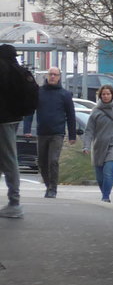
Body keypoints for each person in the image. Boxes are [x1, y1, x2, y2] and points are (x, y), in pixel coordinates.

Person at [22, 66, 77, 198]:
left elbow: (71, 115)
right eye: (50, 74)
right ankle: (48, 185)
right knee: (42, 162)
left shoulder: (65, 94)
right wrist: (27, 129)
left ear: (59, 77)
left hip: (57, 133)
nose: (52, 77)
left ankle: (53, 188)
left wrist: (72, 135)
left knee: (53, 160)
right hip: (42, 132)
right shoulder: (39, 92)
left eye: (55, 75)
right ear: (47, 76)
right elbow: (30, 111)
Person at [0, 44, 38, 219]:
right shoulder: (19, 70)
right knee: (7, 158)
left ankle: (14, 202)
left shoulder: (3, 68)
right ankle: (13, 202)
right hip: (14, 119)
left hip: (3, 120)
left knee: (9, 159)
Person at [82, 84, 113, 204]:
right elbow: (89, 131)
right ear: (100, 96)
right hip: (99, 146)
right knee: (100, 177)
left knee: (108, 171)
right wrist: (86, 145)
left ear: (112, 95)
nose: (106, 96)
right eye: (103, 94)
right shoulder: (96, 111)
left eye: (108, 94)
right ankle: (104, 194)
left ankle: (105, 197)